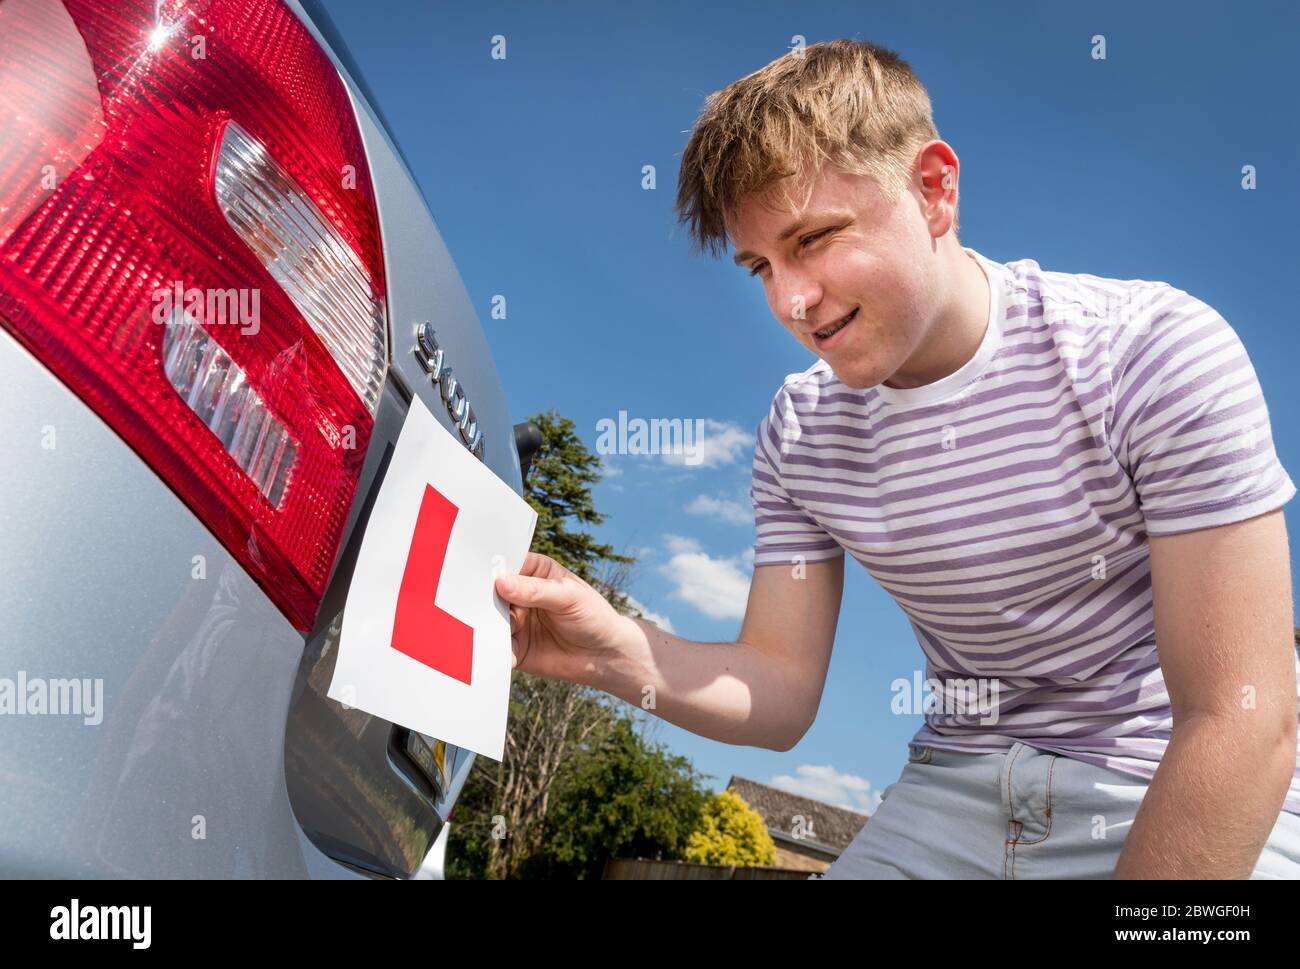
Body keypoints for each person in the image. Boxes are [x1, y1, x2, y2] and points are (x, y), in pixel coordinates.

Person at [494, 39, 1300, 878]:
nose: (789, 301)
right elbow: (778, 689)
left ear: (933, 189)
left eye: (813, 240)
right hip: (953, 792)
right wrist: (610, 651)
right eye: (761, 266)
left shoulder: (1152, 353)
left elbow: (1242, 721)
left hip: (1175, 783)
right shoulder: (800, 432)